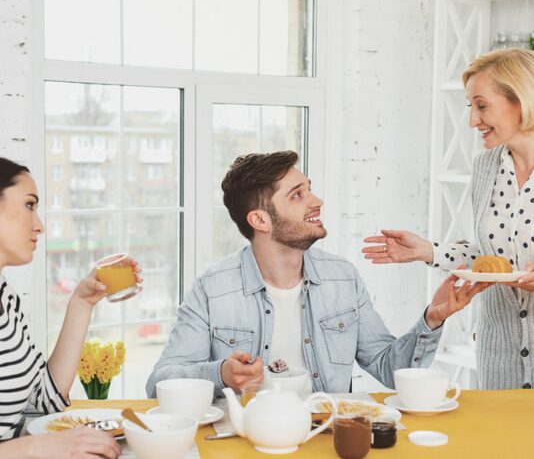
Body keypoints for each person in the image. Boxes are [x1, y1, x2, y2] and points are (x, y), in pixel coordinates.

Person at [146, 151, 489, 398]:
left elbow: (388, 368)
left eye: (308, 188)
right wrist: (220, 373)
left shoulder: (343, 278)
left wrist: (432, 319)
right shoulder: (212, 289)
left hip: (326, 440)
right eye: (298, 195)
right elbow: (159, 382)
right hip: (246, 441)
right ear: (260, 220)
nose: (317, 201)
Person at [362, 48, 534, 390]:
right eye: (470, 107)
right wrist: (427, 251)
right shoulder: (487, 166)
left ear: (522, 100)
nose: (472, 120)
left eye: (481, 106)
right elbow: (492, 262)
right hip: (500, 356)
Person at [0, 157, 142, 458]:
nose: (40, 226)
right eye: (29, 205)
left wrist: (82, 303)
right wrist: (34, 447)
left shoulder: (7, 300)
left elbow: (44, 402)